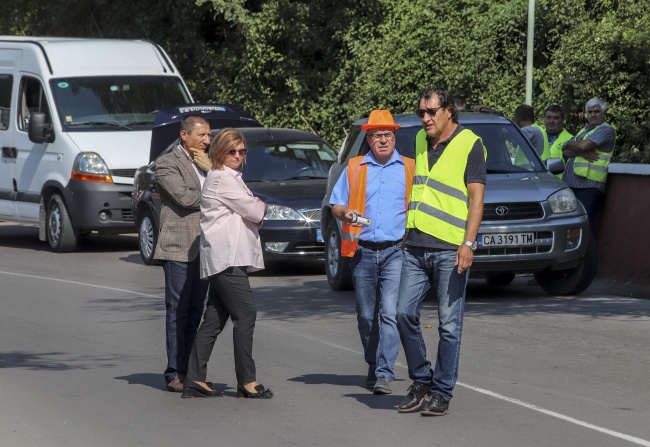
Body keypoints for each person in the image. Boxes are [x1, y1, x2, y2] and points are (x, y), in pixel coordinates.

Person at [396, 86, 486, 416]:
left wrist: (468, 243)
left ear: (448, 111)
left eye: (431, 112)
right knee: (402, 313)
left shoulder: (470, 144)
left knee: (449, 326)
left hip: (451, 249)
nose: (425, 118)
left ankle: (442, 391)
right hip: (416, 245)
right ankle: (421, 380)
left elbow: (477, 198)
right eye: (421, 112)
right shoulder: (420, 140)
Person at [183, 128, 273, 399]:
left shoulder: (223, 177)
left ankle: (195, 378)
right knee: (246, 315)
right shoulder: (223, 178)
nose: (237, 156)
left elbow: (250, 209)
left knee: (214, 319)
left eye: (242, 151)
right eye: (231, 151)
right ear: (219, 152)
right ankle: (247, 381)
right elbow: (256, 210)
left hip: (225, 258)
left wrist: (254, 206)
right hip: (227, 259)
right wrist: (260, 205)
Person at [329, 110, 415, 395]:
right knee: (366, 316)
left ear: (394, 137)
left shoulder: (409, 168)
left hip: (396, 251)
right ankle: (373, 361)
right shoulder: (354, 167)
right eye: (377, 135)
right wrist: (346, 213)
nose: (382, 140)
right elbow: (335, 205)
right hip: (362, 251)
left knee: (389, 313)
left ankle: (384, 372)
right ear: (368, 138)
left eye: (387, 135)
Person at [154, 115, 212, 392]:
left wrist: (212, 172)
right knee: (177, 311)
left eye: (209, 135)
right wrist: (215, 185)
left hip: (205, 246)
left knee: (195, 311)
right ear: (184, 135)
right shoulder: (167, 163)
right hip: (178, 246)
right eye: (201, 135)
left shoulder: (209, 164)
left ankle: (190, 370)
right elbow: (185, 198)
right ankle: (174, 373)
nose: (206, 141)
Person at [562, 98, 616, 235]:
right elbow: (566, 152)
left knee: (586, 226)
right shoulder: (584, 130)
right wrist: (577, 150)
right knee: (570, 226)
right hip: (572, 184)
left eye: (597, 111)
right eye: (590, 112)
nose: (593, 114)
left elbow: (583, 145)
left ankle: (590, 257)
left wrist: (571, 145)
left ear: (604, 113)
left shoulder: (606, 129)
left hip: (589, 186)